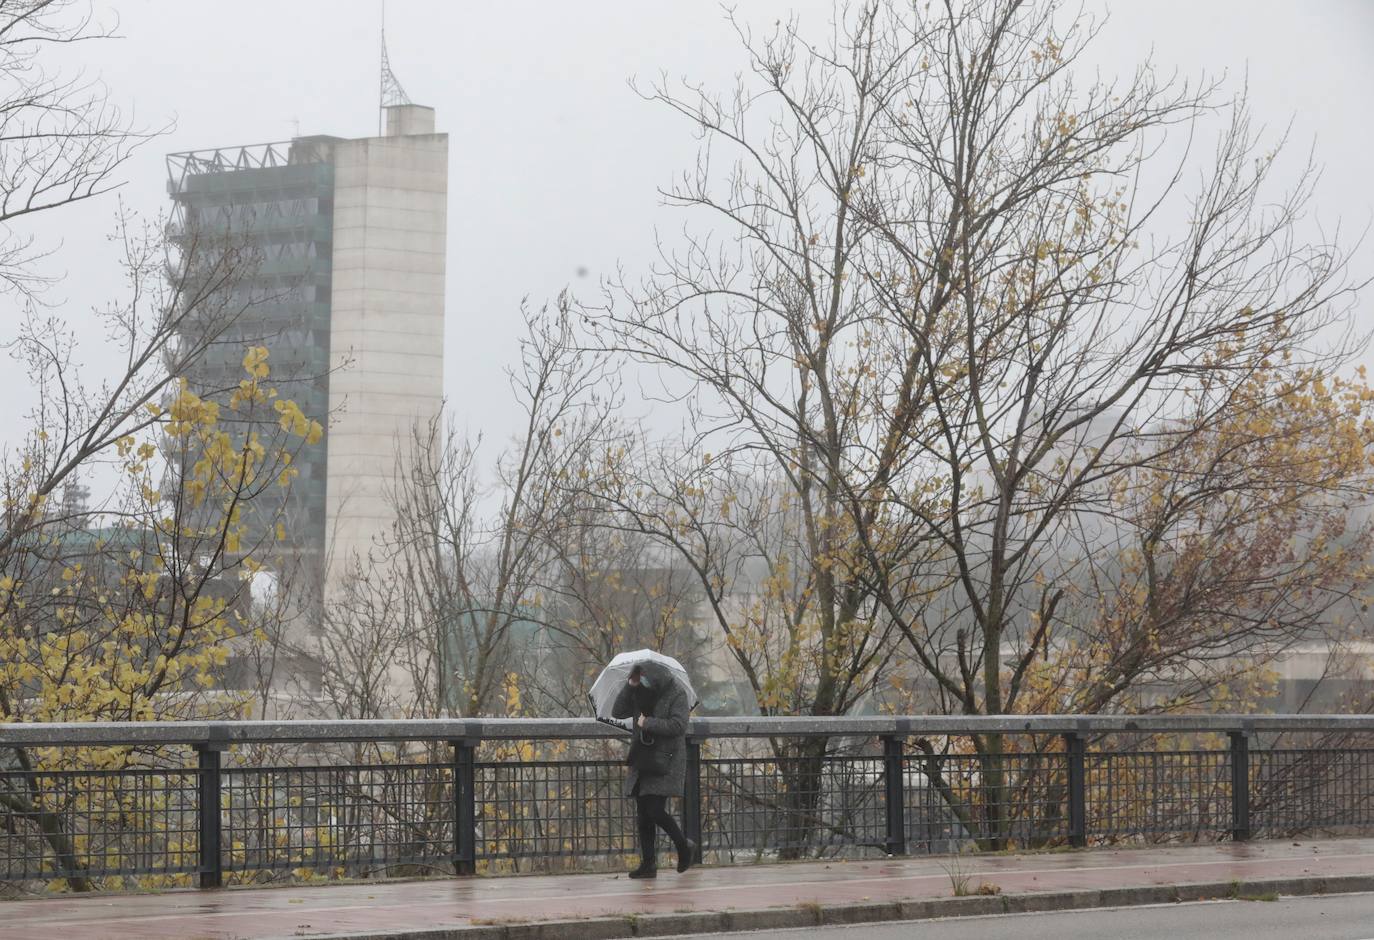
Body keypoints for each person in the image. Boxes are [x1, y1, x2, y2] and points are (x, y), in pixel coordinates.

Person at [611, 661, 697, 878]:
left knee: (655, 810)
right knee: (643, 816)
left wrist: (648, 722)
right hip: (643, 758)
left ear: (656, 676)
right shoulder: (639, 691)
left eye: (644, 677)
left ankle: (684, 846)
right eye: (639, 677)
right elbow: (618, 711)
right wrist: (630, 685)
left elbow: (678, 725)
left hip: (665, 761)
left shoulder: (676, 693)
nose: (643, 681)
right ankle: (648, 864)